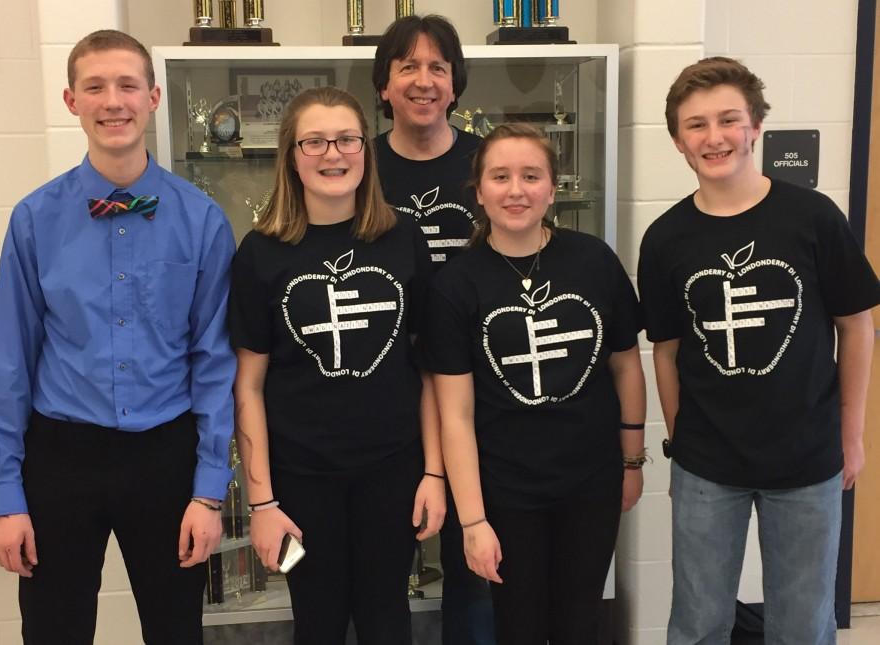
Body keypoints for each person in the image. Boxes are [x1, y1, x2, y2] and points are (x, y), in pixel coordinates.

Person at [0, 30, 236, 645]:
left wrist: (208, 492)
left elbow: (214, 361)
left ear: (152, 97)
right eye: (95, 86)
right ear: (72, 101)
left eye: (127, 85)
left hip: (165, 457)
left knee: (177, 630)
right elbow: (10, 361)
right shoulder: (34, 219)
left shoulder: (201, 219)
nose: (112, 100)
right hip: (60, 457)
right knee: (52, 631)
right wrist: (6, 496)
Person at [637, 57, 879, 644]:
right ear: (678, 141)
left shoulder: (813, 218)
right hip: (707, 466)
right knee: (699, 622)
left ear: (756, 127)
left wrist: (850, 435)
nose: (713, 137)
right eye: (696, 125)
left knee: (802, 624)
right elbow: (665, 351)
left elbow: (858, 326)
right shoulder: (665, 238)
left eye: (728, 120)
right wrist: (681, 437)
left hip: (807, 458)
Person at [229, 86, 445, 645]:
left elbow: (429, 370)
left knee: (387, 620)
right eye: (315, 141)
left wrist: (434, 473)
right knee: (317, 623)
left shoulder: (404, 240)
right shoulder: (260, 253)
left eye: (348, 138)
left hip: (393, 471)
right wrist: (262, 501)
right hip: (301, 483)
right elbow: (248, 387)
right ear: (291, 156)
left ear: (365, 151)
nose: (333, 154)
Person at [424, 123, 646, 645]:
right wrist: (473, 520)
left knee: (580, 623)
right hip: (505, 492)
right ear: (479, 192)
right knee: (517, 626)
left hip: (591, 481)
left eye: (531, 175)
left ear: (552, 187)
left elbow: (626, 365)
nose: (516, 190)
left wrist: (632, 461)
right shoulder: (456, 284)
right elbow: (453, 412)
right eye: (500, 177)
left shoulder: (593, 260)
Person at [372, 15, 495, 645]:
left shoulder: (488, 163)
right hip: (386, 391)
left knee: (474, 563)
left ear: (455, 84)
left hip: (482, 391)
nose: (424, 81)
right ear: (384, 85)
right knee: (380, 566)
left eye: (438, 68)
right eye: (408, 67)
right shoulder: (356, 165)